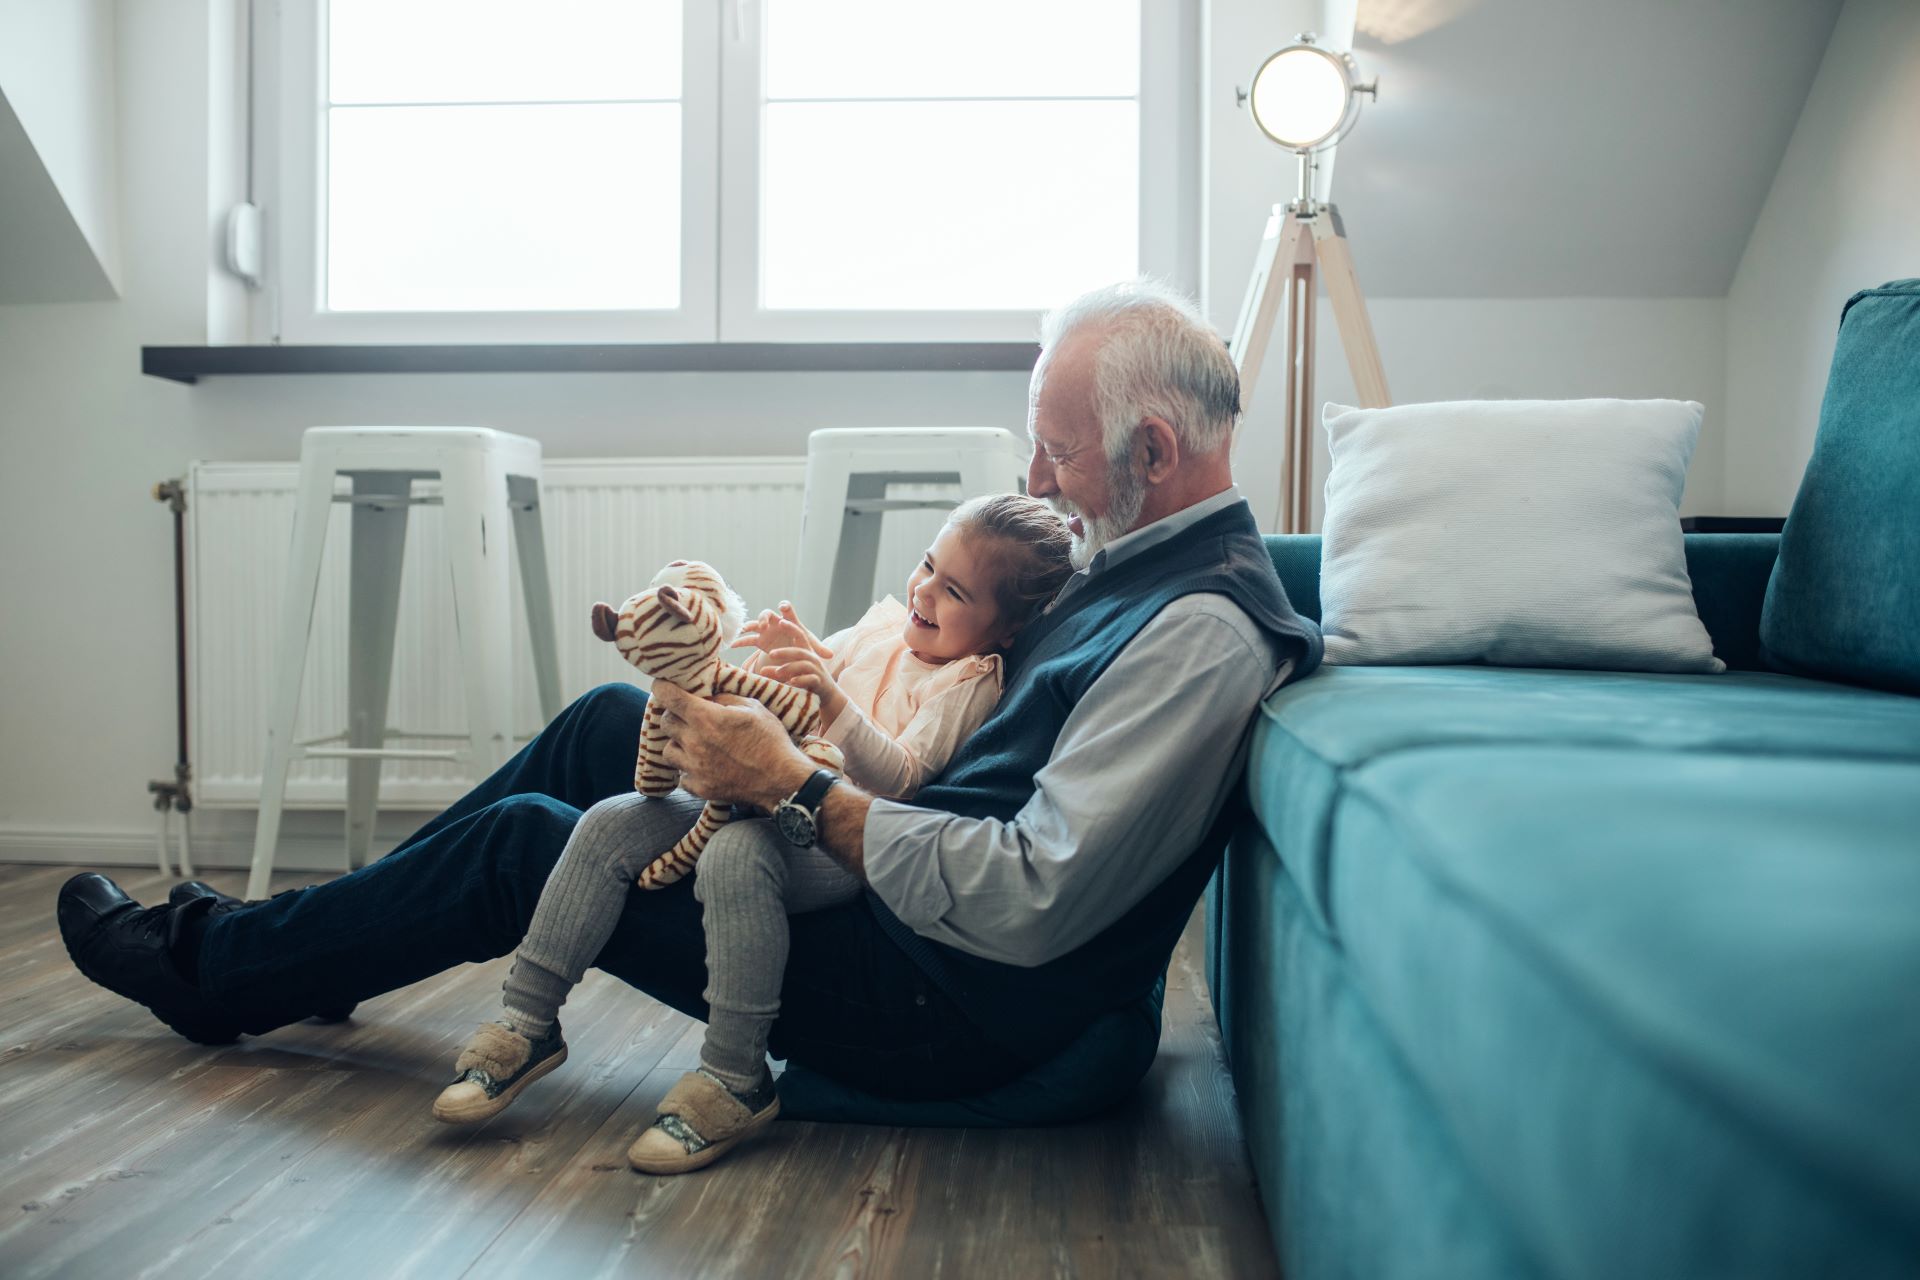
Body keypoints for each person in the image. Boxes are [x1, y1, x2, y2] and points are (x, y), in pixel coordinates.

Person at [56, 279, 1324, 1175]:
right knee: (615, 716)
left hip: (947, 997)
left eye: (1055, 452)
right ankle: (313, 954)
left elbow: (1035, 896)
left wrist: (798, 789)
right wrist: (808, 702)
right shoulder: (1134, 555)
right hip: (896, 893)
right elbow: (959, 727)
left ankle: (210, 971)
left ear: (1153, 448)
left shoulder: (1197, 632)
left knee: (533, 842)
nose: (1036, 480)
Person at [432, 495, 1076, 1177]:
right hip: (757, 791)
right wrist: (795, 656)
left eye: (955, 592)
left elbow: (904, 778)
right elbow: (812, 683)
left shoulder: (968, 680)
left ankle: (734, 1075)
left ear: (1006, 630)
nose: (924, 592)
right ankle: (526, 1023)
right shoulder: (889, 623)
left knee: (737, 858)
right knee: (609, 822)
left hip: (837, 835)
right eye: (927, 566)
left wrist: (829, 696)